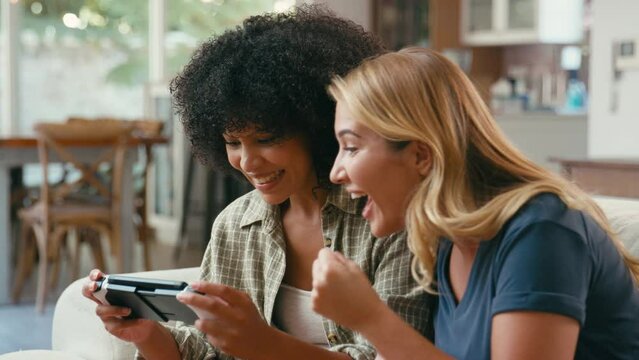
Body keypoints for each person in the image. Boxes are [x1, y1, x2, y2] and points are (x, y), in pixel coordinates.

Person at [82, 6, 433, 360]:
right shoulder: (236, 224)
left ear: (316, 128)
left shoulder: (386, 216)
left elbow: (390, 355)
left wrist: (264, 343)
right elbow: (209, 348)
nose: (247, 162)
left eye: (266, 139)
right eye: (233, 143)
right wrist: (148, 334)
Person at [312, 47, 639, 360]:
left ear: (421, 156)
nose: (335, 173)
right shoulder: (446, 245)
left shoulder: (541, 230)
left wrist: (370, 318)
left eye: (352, 147)